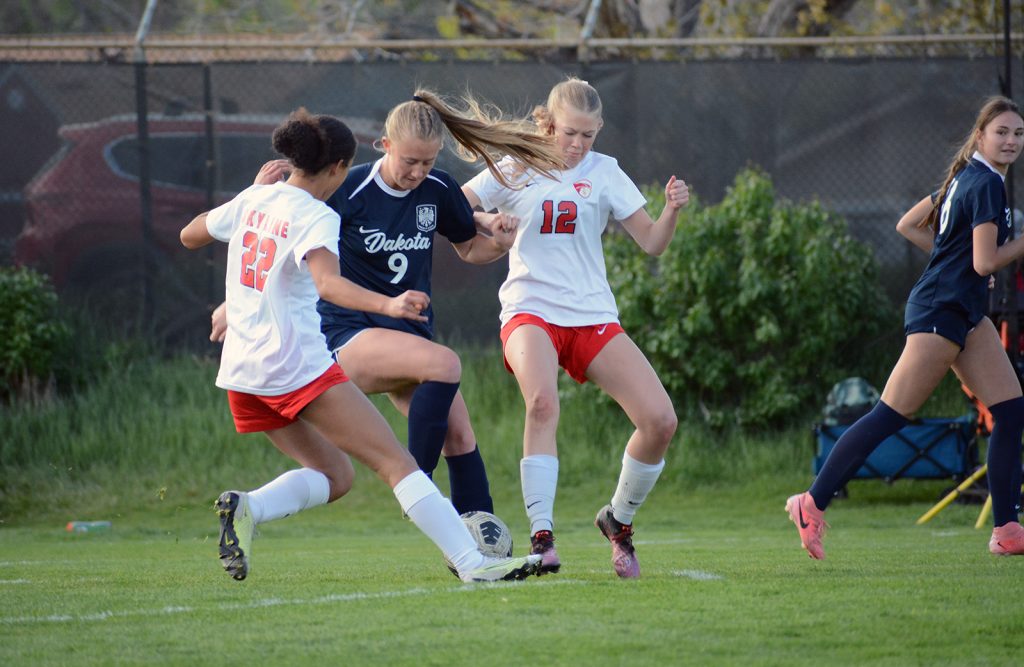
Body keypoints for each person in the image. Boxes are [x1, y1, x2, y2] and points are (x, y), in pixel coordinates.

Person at [181, 108, 542, 583]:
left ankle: (248, 508)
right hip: (297, 367)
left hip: (241, 376)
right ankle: (475, 565)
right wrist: (389, 306)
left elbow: (191, 235)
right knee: (397, 462)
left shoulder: (255, 199)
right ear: (337, 168)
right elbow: (329, 286)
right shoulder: (316, 213)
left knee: (337, 477)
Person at [461, 77, 691, 578]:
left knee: (660, 421)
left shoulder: (605, 172)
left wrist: (672, 210)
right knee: (542, 402)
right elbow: (459, 207)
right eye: (569, 133)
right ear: (548, 122)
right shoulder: (518, 165)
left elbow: (652, 243)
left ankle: (618, 520)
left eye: (588, 136)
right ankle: (542, 539)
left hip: (590, 314)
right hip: (530, 309)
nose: (577, 145)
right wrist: (489, 226)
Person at [786, 95, 1024, 560]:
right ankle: (811, 503)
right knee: (890, 415)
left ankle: (1007, 530)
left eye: (1018, 133)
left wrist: (954, 257)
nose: (1011, 140)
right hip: (941, 311)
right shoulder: (986, 184)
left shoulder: (968, 178)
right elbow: (984, 261)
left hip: (965, 314)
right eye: (1002, 132)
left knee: (1012, 411)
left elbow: (908, 225)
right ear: (981, 137)